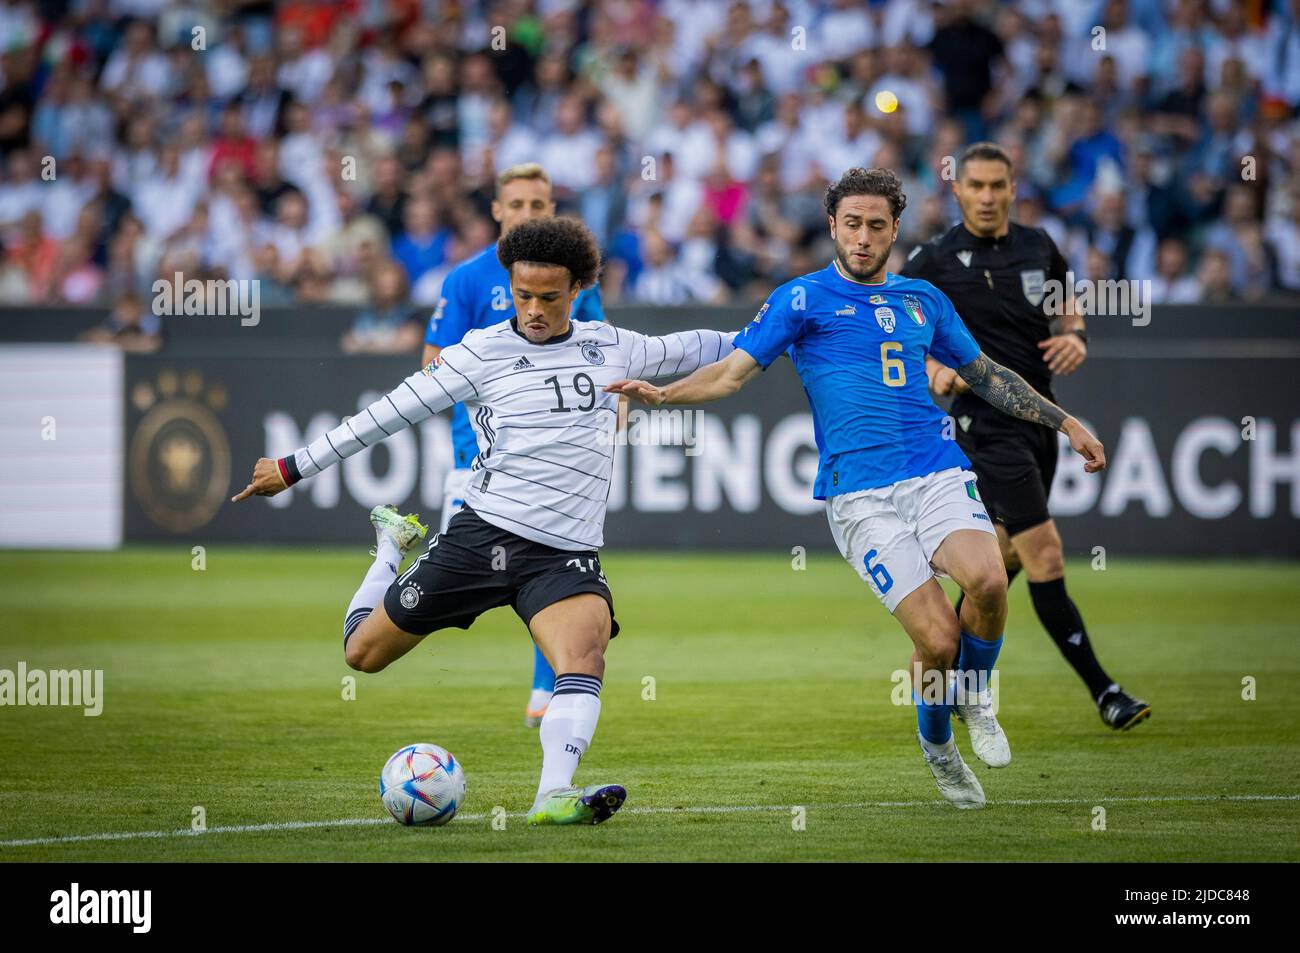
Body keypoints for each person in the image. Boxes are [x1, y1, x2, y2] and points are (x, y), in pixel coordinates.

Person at [606, 168, 1107, 810]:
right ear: (833, 227)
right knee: (937, 642)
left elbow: (985, 374)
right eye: (852, 224)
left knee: (985, 580)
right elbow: (732, 375)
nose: (864, 237)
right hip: (861, 496)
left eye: (876, 225)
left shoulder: (925, 299)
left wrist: (1066, 422)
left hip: (937, 472)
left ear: (895, 228)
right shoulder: (801, 299)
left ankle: (975, 699)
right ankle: (939, 749)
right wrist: (662, 395)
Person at [233, 217, 734, 825]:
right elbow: (389, 413)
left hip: (563, 555)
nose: (534, 310)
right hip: (482, 537)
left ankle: (554, 796)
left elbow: (703, 344)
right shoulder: (483, 351)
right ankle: (389, 549)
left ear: (577, 288)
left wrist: (786, 327)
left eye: (549, 297)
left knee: (585, 656)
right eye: (523, 295)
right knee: (361, 656)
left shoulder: (611, 344)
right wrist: (293, 466)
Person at [903, 142, 1149, 731]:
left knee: (1002, 558)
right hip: (982, 425)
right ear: (956, 191)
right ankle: (1105, 691)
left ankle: (940, 666)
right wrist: (932, 369)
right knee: (1044, 551)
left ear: (1013, 189)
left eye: (997, 186)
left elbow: (1068, 312)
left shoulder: (1040, 248)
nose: (987, 197)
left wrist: (1077, 337)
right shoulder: (931, 260)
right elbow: (893, 334)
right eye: (976, 186)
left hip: (1038, 418)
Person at [421, 163, 605, 729]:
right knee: (453, 580)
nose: (529, 213)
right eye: (518, 204)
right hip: (472, 461)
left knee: (550, 568)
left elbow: (601, 356)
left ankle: (547, 688)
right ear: (498, 210)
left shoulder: (573, 281)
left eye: (539, 205)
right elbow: (433, 365)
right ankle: (384, 593)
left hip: (551, 466)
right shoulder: (466, 280)